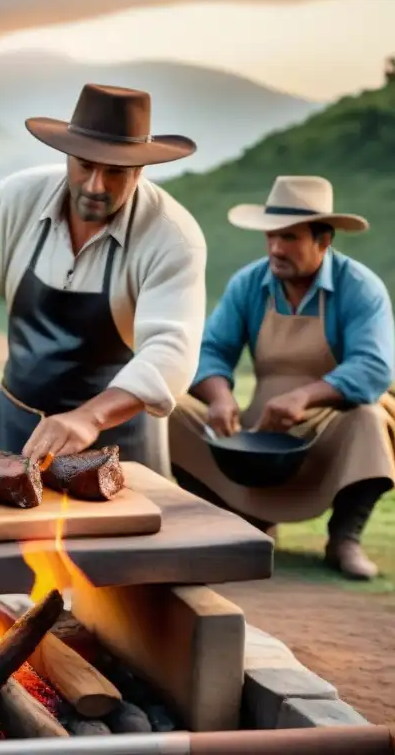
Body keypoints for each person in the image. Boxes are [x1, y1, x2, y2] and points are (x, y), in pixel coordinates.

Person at [0, 84, 207, 474]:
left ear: (140, 170)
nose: (95, 185)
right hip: (13, 425)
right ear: (67, 154)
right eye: (84, 165)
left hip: (118, 440)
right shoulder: (16, 199)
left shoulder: (172, 236)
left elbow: (171, 351)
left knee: (121, 537)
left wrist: (91, 417)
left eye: (115, 172)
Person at [168, 176, 395, 580]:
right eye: (271, 236)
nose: (275, 248)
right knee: (168, 411)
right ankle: (238, 520)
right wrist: (219, 395)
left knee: (371, 418)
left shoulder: (361, 289)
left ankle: (344, 539)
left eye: (289, 238)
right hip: (258, 425)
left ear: (323, 241)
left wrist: (305, 397)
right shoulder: (249, 284)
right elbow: (208, 350)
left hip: (329, 427)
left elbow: (374, 367)